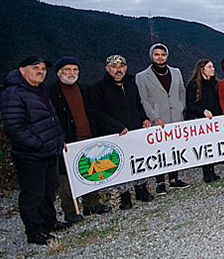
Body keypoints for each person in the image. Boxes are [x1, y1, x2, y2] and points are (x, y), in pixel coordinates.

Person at [1, 56, 67, 245]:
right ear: (22, 70)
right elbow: (14, 127)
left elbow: (51, 117)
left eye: (43, 69)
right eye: (35, 68)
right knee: (33, 194)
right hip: (30, 155)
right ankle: (35, 231)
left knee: (49, 189)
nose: (41, 71)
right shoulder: (13, 93)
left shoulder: (40, 90)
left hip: (49, 151)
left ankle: (49, 221)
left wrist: (58, 138)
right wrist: (38, 144)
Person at [48, 57, 111, 224]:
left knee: (92, 170)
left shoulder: (84, 89)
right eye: (67, 70)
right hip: (67, 139)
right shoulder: (52, 93)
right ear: (59, 72)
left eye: (75, 70)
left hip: (88, 135)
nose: (71, 73)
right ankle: (70, 210)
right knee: (66, 176)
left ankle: (92, 203)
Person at [89, 55, 154, 210]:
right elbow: (97, 113)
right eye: (114, 66)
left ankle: (141, 189)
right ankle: (124, 196)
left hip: (135, 130)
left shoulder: (132, 84)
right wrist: (116, 126)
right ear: (107, 69)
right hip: (115, 133)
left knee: (138, 160)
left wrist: (144, 118)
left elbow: (138, 105)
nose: (118, 70)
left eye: (121, 66)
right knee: (119, 164)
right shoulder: (98, 89)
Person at [136, 43, 190, 195]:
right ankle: (160, 181)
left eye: (163, 54)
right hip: (158, 119)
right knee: (159, 150)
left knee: (175, 148)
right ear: (152, 56)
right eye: (157, 54)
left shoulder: (176, 72)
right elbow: (143, 99)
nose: (160, 57)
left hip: (176, 116)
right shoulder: (142, 76)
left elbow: (181, 90)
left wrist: (181, 106)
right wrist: (154, 116)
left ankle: (174, 179)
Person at [185, 59, 223, 183]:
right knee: (205, 146)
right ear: (202, 69)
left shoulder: (215, 84)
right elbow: (190, 104)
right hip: (200, 122)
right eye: (210, 67)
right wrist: (202, 111)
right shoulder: (193, 85)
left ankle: (212, 171)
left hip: (214, 121)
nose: (213, 69)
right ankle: (206, 173)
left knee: (213, 145)